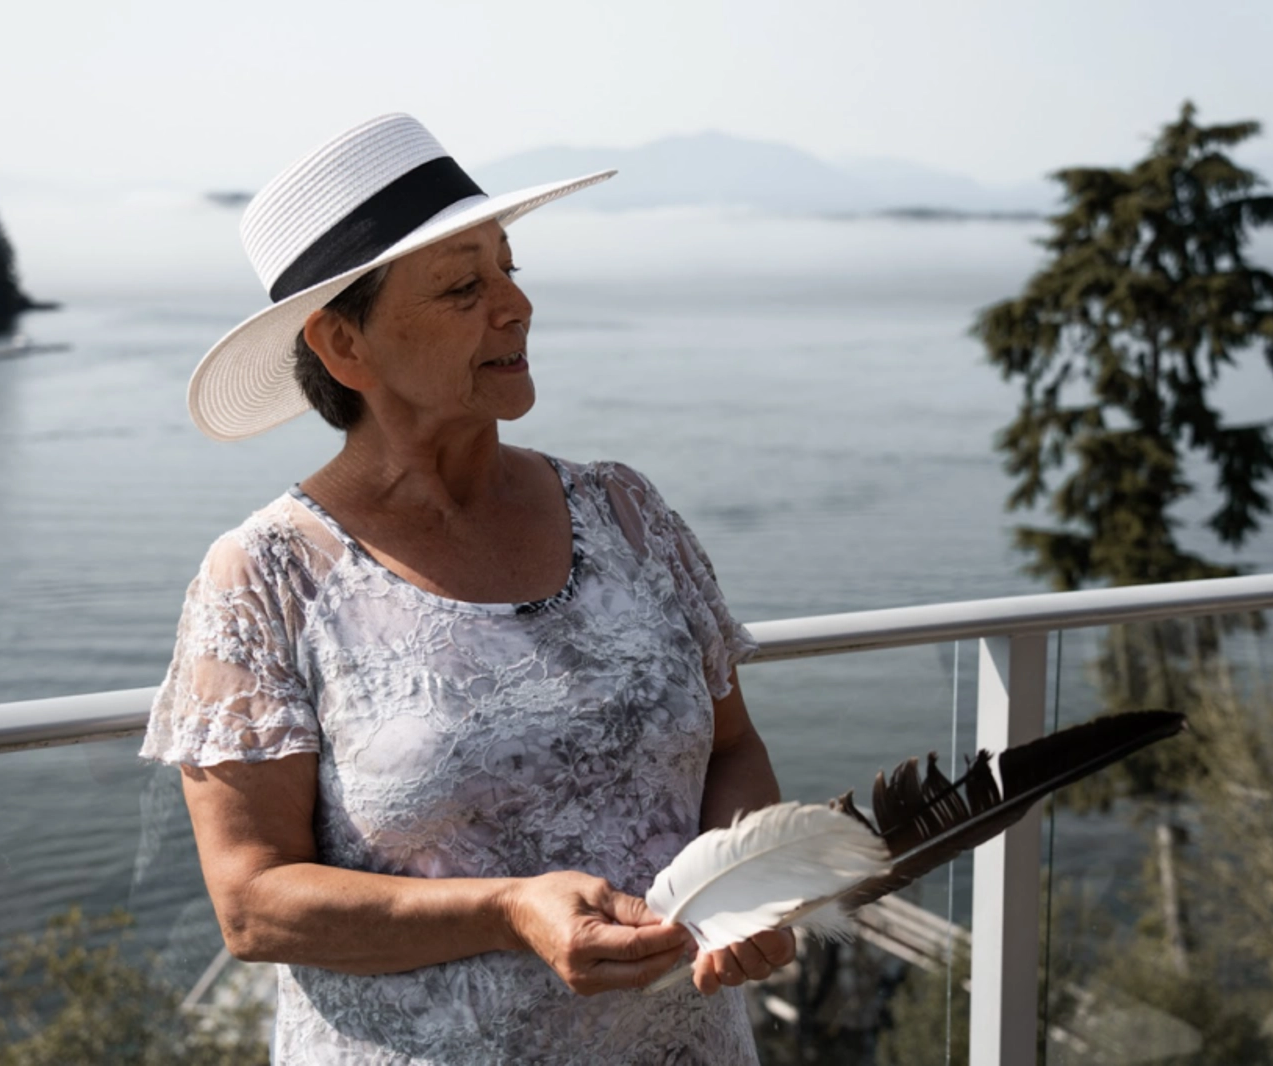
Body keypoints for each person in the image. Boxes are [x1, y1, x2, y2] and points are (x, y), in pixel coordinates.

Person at [141, 113, 792, 1064]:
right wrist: (504, 911)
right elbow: (253, 903)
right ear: (342, 347)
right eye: (461, 286)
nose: (514, 306)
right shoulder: (268, 578)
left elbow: (732, 748)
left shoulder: (625, 511)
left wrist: (750, 886)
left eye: (510, 268)